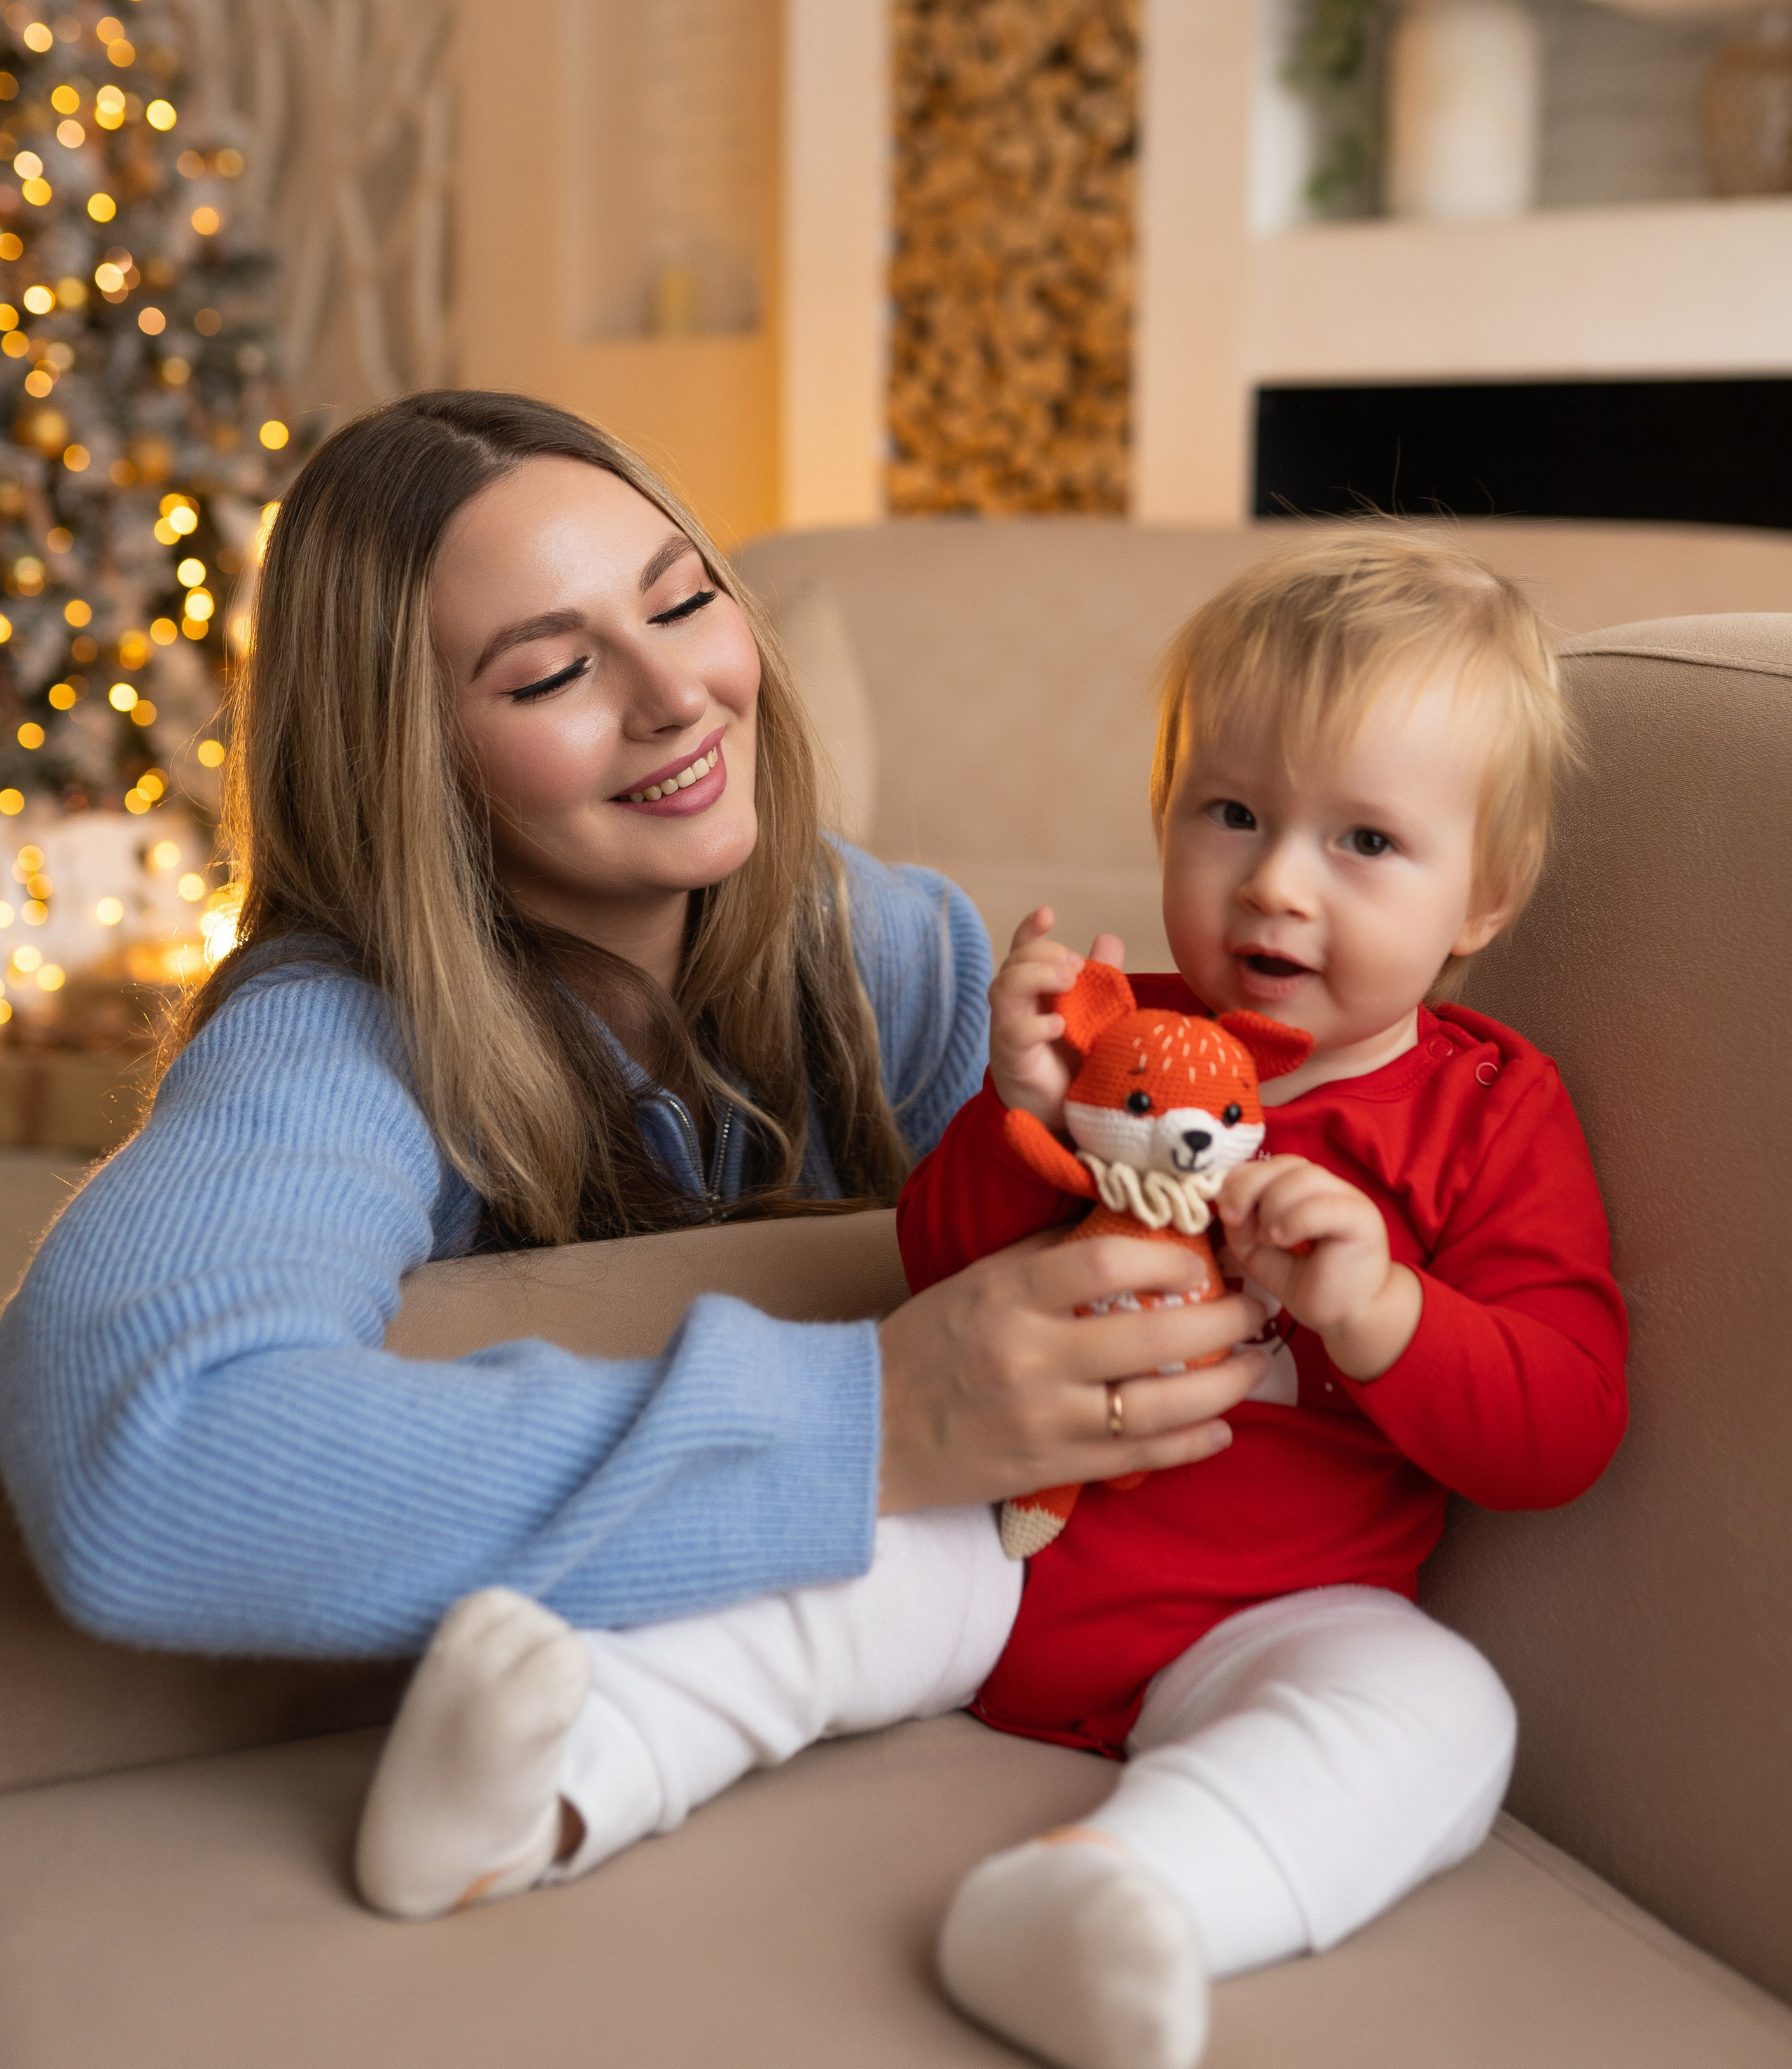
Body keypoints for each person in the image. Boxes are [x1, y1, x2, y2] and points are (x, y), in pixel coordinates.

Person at [351, 524, 1627, 2069]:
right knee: (803, 1578)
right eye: (1230, 813)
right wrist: (1016, 1115)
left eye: (1363, 842)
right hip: (992, 1534)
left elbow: (1561, 1425)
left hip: (1275, 1616)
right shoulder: (1117, 1037)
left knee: (1438, 1708)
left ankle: (1121, 1897)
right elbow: (938, 1257)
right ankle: (542, 1779)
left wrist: (1383, 1314)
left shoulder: (1486, 1115)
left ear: (1483, 897)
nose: (1275, 884)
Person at [0, 392, 1266, 1664]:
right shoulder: (338, 1038)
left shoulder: (897, 948)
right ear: (406, 766)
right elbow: (142, 1452)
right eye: (551, 674)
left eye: (682, 602)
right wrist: (877, 1425)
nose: (676, 696)